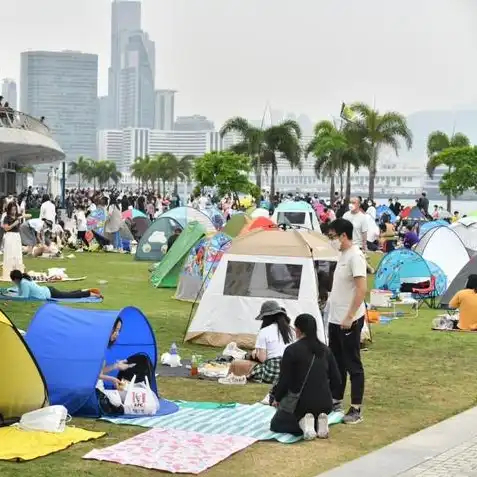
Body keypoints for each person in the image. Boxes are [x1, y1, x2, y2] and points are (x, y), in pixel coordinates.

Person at [270, 313, 341, 440]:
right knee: (315, 411)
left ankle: (305, 423)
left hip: (300, 404)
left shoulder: (291, 350)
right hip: (325, 403)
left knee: (276, 424)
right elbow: (337, 380)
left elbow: (284, 380)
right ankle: (319, 423)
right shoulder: (326, 350)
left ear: (298, 329)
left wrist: (277, 398)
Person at [327, 218, 367, 424]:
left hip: (348, 319)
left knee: (353, 363)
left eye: (333, 236)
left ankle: (356, 408)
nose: (331, 240)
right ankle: (336, 399)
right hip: (335, 319)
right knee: (336, 361)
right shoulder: (341, 256)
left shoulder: (355, 256)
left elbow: (361, 289)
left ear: (344, 235)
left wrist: (350, 316)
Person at [219, 301, 294, 385]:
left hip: (272, 372)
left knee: (236, 364)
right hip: (289, 372)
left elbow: (263, 359)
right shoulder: (290, 330)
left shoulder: (264, 331)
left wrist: (256, 354)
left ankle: (236, 365)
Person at [9, 270, 102, 300]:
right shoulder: (23, 280)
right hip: (48, 290)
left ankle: (90, 294)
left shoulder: (23, 283)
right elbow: (21, 293)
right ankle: (84, 291)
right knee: (68, 294)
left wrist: (11, 298)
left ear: (16, 279)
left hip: (49, 293)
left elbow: (24, 296)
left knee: (69, 296)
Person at [2, 202, 25, 280]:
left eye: (15, 209)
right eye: (12, 210)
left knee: (17, 253)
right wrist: (14, 224)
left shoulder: (17, 216)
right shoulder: (6, 217)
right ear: (9, 210)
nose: (14, 211)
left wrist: (21, 217)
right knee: (9, 253)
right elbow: (6, 228)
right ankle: (9, 272)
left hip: (17, 236)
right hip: (9, 236)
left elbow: (27, 215)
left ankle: (18, 272)